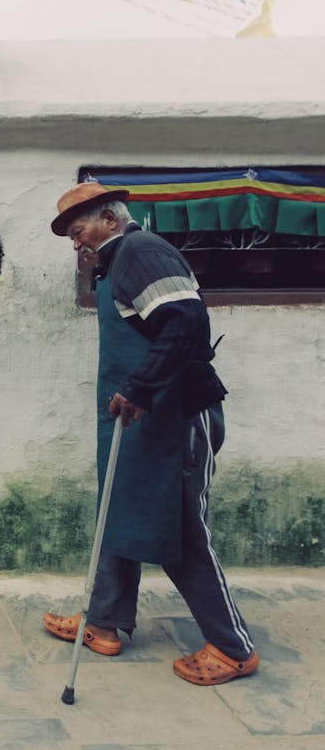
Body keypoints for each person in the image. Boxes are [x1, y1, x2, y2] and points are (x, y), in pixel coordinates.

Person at [43, 181, 259, 686]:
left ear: (111, 219)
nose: (77, 243)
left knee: (179, 528)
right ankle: (103, 623)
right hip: (140, 417)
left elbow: (185, 322)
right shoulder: (116, 260)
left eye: (79, 232)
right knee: (119, 509)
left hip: (176, 416)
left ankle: (233, 648)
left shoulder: (141, 251)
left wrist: (139, 387)